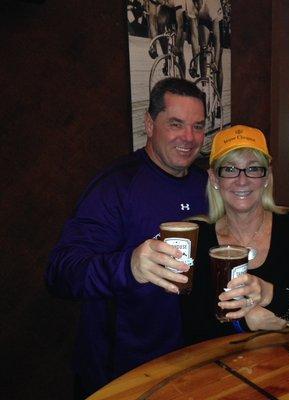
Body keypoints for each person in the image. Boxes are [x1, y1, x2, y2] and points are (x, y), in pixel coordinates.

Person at [45, 78, 208, 399]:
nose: (189, 138)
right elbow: (60, 272)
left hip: (191, 360)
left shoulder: (205, 183)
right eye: (176, 124)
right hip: (122, 371)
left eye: (198, 126)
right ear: (149, 124)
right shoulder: (115, 186)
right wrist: (129, 265)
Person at [181, 125, 289, 345]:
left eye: (253, 168)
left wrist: (270, 295)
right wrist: (245, 323)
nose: (242, 180)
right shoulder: (198, 236)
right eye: (229, 169)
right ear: (214, 178)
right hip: (218, 368)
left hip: (287, 362)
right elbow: (192, 328)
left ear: (267, 176)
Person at [187, 0, 224, 99]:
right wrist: (195, 65)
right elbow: (194, 37)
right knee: (203, 48)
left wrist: (215, 62)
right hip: (204, 18)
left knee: (219, 63)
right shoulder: (191, 5)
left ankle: (218, 99)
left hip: (216, 18)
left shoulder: (211, 4)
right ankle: (204, 89)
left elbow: (217, 40)